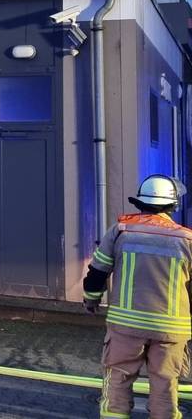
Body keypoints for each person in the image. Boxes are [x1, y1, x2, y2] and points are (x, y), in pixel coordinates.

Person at [84, 174, 192, 418]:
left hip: (126, 326)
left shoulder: (121, 231)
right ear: (173, 205)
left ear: (140, 203)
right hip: (171, 329)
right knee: (165, 385)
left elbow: (97, 271)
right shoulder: (187, 239)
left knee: (118, 382)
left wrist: (91, 299)